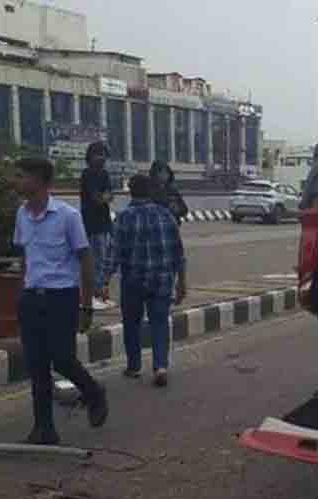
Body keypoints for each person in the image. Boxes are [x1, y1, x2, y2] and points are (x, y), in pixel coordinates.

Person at [11, 156, 109, 445]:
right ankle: (44, 428)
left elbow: (85, 259)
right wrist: (21, 294)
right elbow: (24, 258)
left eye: (21, 175)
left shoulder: (68, 216)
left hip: (61, 298)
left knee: (62, 358)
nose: (17, 181)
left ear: (40, 181)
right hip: (31, 299)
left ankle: (93, 393)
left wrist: (86, 304)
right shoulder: (21, 214)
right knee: (36, 365)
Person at [99, 173, 187, 387]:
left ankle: (134, 366)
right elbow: (178, 252)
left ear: (130, 191)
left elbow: (114, 252)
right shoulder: (166, 215)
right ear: (151, 191)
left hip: (133, 281)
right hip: (162, 280)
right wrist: (182, 282)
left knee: (132, 324)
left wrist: (104, 281)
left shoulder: (124, 217)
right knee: (159, 323)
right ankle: (160, 366)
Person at [79, 141, 114, 297]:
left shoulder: (105, 174)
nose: (101, 158)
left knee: (105, 256)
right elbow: (97, 198)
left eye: (103, 154)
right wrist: (103, 197)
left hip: (104, 221)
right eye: (97, 154)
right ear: (90, 156)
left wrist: (104, 197)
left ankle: (99, 288)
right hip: (90, 222)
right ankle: (94, 290)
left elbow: (109, 196)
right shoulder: (87, 174)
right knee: (93, 258)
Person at [150, 159, 189, 225]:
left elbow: (184, 209)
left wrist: (177, 209)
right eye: (163, 172)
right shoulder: (148, 189)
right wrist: (167, 207)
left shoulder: (172, 190)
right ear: (155, 173)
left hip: (172, 226)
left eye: (167, 172)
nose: (166, 175)